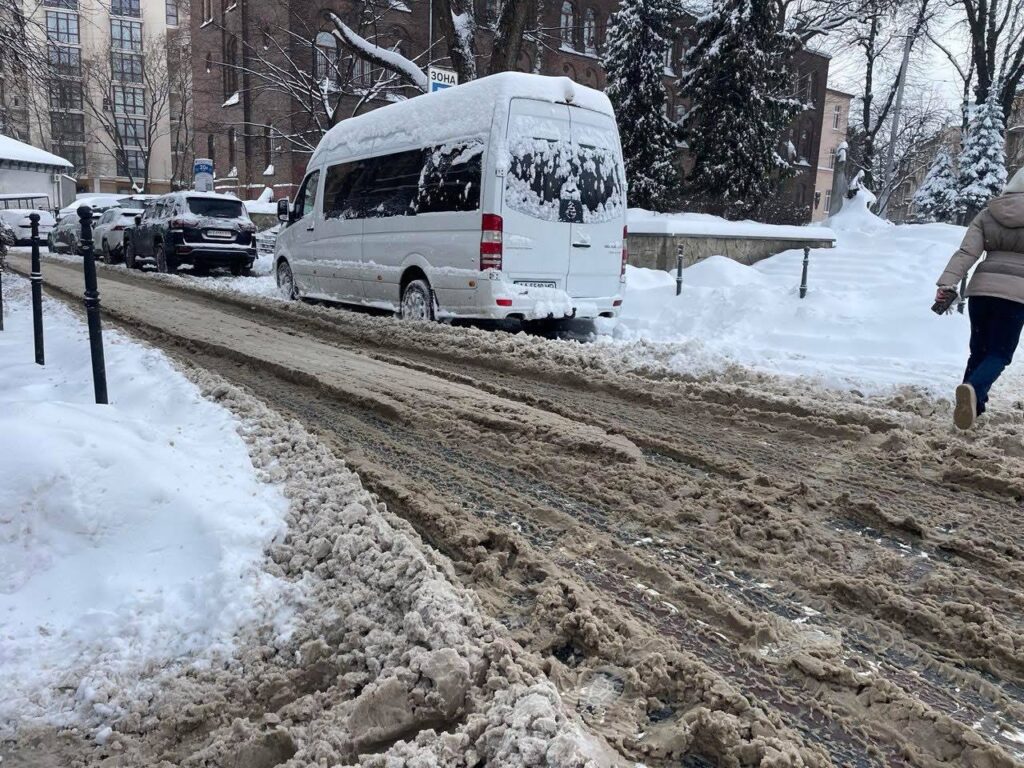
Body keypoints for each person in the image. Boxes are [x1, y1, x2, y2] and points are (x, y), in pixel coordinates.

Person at [936, 166, 1024, 429]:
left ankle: (972, 410)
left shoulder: (989, 213)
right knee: (999, 353)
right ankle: (973, 391)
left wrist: (947, 282)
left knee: (979, 351)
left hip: (982, 292)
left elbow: (967, 252)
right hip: (1016, 294)